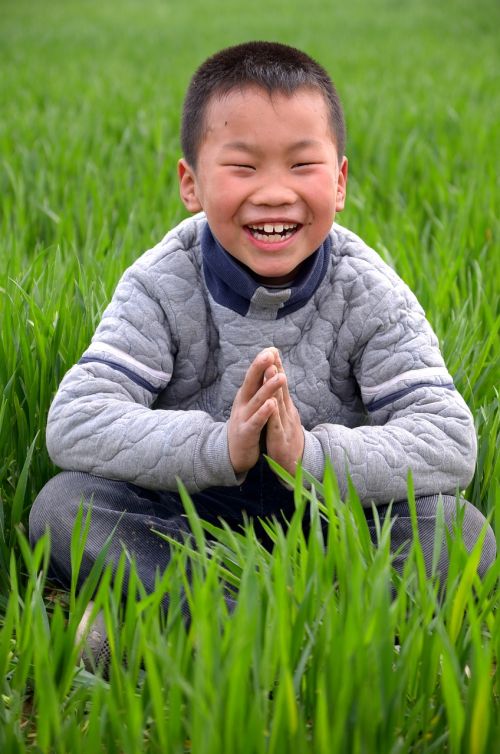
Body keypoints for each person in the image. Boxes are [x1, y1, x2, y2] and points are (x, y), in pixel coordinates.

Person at [29, 41, 495, 653]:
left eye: (302, 166)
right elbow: (75, 422)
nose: (275, 193)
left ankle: (178, 633)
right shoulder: (161, 281)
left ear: (341, 180)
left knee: (460, 531)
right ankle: (313, 634)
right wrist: (220, 446)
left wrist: (308, 455)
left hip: (335, 520)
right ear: (190, 183)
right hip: (185, 516)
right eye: (243, 168)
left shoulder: (371, 290)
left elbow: (449, 440)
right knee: (63, 507)